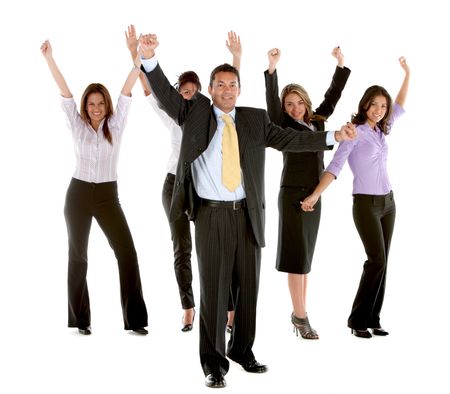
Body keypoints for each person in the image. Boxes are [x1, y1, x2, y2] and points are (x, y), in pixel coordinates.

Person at [138, 33, 356, 388]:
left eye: (232, 84)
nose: (227, 89)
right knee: (214, 288)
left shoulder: (254, 120)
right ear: (211, 89)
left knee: (248, 287)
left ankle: (243, 350)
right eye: (220, 84)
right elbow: (164, 93)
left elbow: (290, 139)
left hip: (247, 214)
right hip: (209, 215)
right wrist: (149, 59)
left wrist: (333, 137)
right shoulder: (193, 113)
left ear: (239, 89)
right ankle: (213, 362)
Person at [124, 26, 239, 332]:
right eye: (182, 91)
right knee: (182, 247)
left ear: (201, 96)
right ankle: (188, 307)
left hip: (203, 187)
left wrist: (236, 57)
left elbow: (229, 93)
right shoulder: (171, 114)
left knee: (214, 248)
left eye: (192, 91)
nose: (187, 95)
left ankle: (228, 309)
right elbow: (148, 86)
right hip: (174, 185)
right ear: (177, 95)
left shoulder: (210, 117)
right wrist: (136, 53)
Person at [40, 40, 148, 335]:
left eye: (101, 103)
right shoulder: (76, 124)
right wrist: (50, 59)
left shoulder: (117, 122)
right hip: (77, 195)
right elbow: (64, 91)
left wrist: (138, 57)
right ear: (85, 106)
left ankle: (135, 320)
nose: (96, 108)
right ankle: (80, 320)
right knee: (78, 256)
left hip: (107, 196)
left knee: (127, 252)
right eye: (91, 104)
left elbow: (128, 88)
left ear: (107, 105)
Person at [301, 57, 410, 338]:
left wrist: (407, 74)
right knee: (376, 260)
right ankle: (357, 321)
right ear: (365, 105)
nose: (379, 109)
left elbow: (399, 106)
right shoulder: (356, 133)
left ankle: (373, 318)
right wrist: (314, 195)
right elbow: (335, 167)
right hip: (366, 205)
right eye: (374, 104)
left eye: (382, 106)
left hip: (389, 203)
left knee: (384, 260)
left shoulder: (382, 129)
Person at [265, 47, 351, 339]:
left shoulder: (317, 121)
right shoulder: (282, 126)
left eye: (298, 102)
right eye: (289, 104)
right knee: (295, 257)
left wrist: (340, 65)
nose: (295, 108)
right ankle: (300, 316)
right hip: (292, 195)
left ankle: (299, 313)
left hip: (315, 193)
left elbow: (332, 96)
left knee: (305, 258)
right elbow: (272, 104)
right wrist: (272, 69)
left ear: (305, 102)